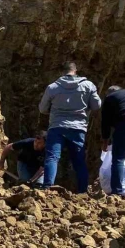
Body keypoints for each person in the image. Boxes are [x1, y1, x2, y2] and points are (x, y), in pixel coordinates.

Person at [39, 62, 102, 193]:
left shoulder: (53, 87)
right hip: (78, 128)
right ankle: (83, 191)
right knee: (79, 160)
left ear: (62, 72)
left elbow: (42, 108)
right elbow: (97, 105)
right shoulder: (88, 85)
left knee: (52, 157)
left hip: (57, 127)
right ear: (76, 71)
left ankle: (46, 188)